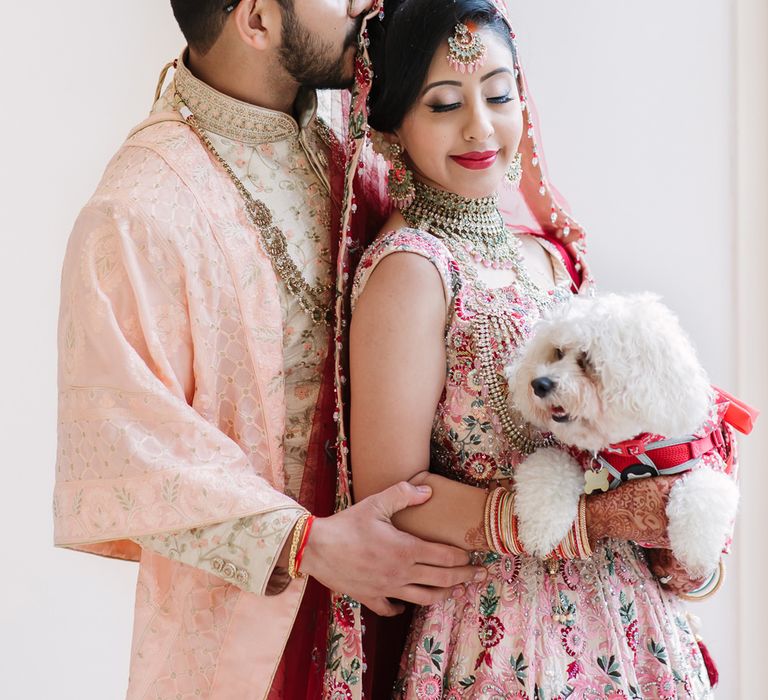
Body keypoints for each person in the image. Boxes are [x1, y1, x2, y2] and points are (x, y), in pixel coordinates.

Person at [52, 1, 488, 698]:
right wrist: (309, 544)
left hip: (426, 625)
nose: (364, 4)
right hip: (261, 639)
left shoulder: (354, 156)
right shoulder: (139, 211)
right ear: (256, 19)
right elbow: (127, 444)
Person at [343, 0, 730, 697]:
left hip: (631, 626)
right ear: (394, 123)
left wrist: (681, 536)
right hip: (504, 638)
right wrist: (594, 520)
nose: (480, 127)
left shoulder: (547, 258)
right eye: (443, 104)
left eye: (498, 94)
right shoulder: (412, 269)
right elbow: (392, 497)